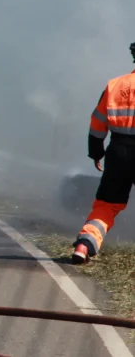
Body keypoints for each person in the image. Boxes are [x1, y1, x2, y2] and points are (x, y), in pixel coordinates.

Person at [73, 42, 135, 264]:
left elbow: (97, 123)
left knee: (107, 204)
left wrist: (96, 152)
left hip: (118, 152)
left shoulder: (115, 85)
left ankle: (85, 243)